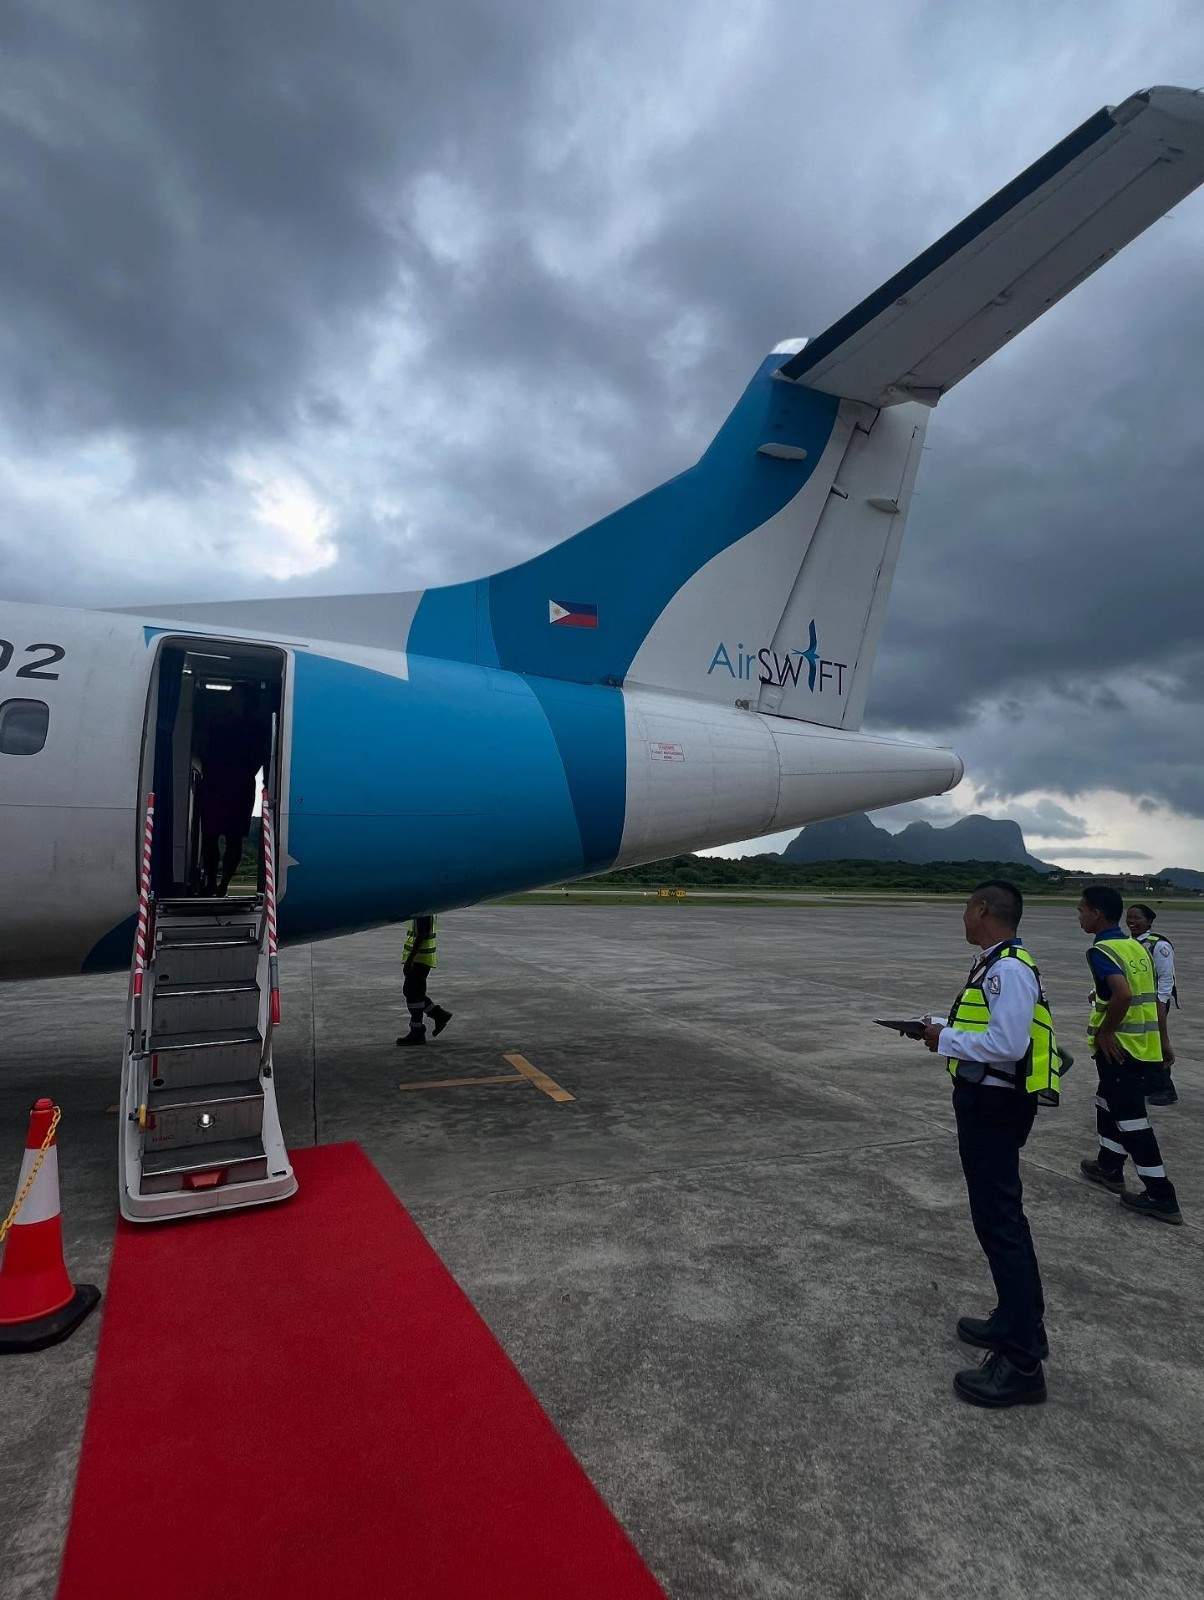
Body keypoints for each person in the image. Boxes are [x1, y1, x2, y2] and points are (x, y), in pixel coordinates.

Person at [917, 879, 1060, 1409]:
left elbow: (1007, 1044)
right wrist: (944, 1026)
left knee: (1001, 1222)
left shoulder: (1009, 970)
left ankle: (1023, 1359)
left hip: (996, 1107)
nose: (963, 919)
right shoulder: (995, 963)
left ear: (982, 910)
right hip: (987, 1102)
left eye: (965, 909)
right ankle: (1012, 1320)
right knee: (994, 1218)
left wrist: (943, 1040)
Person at [1078, 886, 1182, 1224]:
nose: (1079, 916)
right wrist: (1164, 1041)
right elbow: (1151, 998)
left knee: (1132, 1118)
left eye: (1082, 910)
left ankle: (1160, 1194)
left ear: (1096, 913)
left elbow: (1122, 995)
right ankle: (1108, 1165)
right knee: (1107, 1100)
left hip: (1121, 1049)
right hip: (1144, 1046)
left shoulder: (1102, 951)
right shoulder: (1136, 948)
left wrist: (1106, 1031)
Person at [197, 685, 265, 897]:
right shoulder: (217, 722)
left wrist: (242, 773)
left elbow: (259, 757)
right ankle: (210, 882)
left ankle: (223, 884)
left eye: (235, 696)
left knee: (234, 838)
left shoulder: (254, 727)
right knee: (209, 835)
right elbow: (203, 748)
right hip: (216, 784)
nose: (230, 700)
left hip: (239, 786)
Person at [1125, 903, 1178, 1106]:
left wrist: (1161, 1004)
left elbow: (1165, 978)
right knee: (1141, 1043)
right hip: (1135, 1003)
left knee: (1156, 1042)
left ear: (1149, 921)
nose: (1132, 922)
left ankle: (1165, 1088)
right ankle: (1147, 1082)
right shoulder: (1129, 943)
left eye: (1137, 918)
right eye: (1129, 917)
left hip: (1154, 1002)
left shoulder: (1158, 945)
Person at [396, 915, 453, 1046]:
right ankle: (439, 1015)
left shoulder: (424, 908)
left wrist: (410, 960)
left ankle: (417, 1031)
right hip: (422, 958)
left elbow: (422, 933)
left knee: (412, 993)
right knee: (414, 993)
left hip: (419, 959)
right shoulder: (427, 906)